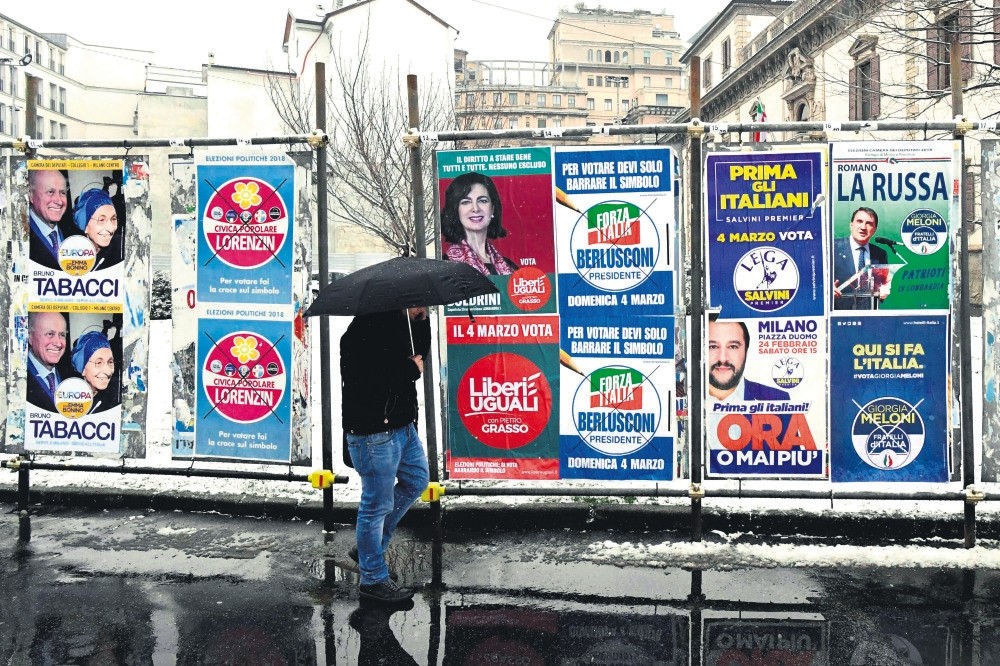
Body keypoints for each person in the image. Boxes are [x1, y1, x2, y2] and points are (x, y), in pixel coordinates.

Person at [341, 306, 431, 603]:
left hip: (402, 426)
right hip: (373, 433)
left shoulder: (403, 321)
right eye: (420, 304)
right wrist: (407, 369)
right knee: (376, 505)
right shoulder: (362, 329)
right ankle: (373, 578)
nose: (424, 307)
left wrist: (420, 322)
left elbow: (420, 357)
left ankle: (369, 550)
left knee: (417, 480)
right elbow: (364, 380)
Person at [441, 172, 519, 276]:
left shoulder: (511, 268)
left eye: (482, 201)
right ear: (456, 210)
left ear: (492, 208)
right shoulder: (446, 266)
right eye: (466, 202)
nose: (475, 209)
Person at [708, 316, 790, 402]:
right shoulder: (691, 398)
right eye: (713, 347)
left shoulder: (778, 399)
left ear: (746, 351)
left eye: (733, 347)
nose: (723, 358)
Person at [833, 206, 889, 310]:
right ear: (851, 225)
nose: (863, 227)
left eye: (869, 223)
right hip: (839, 317)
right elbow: (813, 280)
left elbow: (882, 288)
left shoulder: (880, 254)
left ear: (874, 229)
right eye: (859, 221)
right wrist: (826, 289)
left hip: (870, 318)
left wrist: (884, 289)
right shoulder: (833, 248)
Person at [27, 169, 77, 271]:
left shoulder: (75, 234)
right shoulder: (17, 238)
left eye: (62, 193)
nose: (59, 201)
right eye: (50, 192)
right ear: (31, 195)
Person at [26, 311, 72, 411]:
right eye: (50, 334)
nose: (58, 343)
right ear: (29, 336)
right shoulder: (16, 379)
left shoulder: (71, 377)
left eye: (62, 335)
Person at [70, 331, 120, 413]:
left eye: (110, 362)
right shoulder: (70, 398)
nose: (108, 371)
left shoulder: (116, 396)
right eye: (99, 363)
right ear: (83, 369)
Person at [73, 188, 122, 271]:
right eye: (101, 220)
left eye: (113, 219)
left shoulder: (120, 247)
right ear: (85, 226)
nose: (111, 228)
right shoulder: (74, 255)